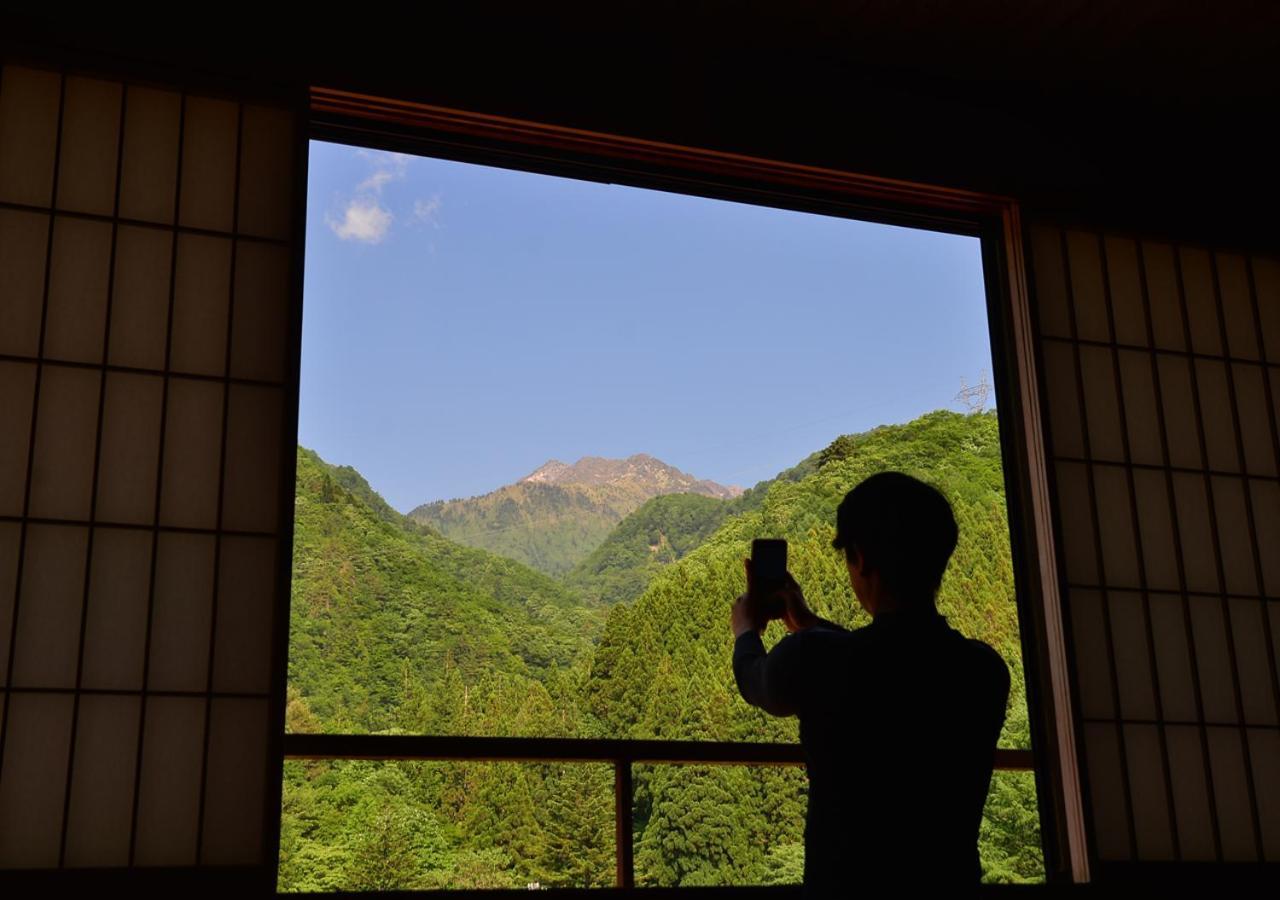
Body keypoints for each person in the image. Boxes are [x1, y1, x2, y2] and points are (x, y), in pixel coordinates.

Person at [731, 471, 1011, 895]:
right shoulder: (984, 670)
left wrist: (746, 630)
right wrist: (809, 624)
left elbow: (757, 681)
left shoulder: (813, 658)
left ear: (859, 558)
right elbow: (900, 661)